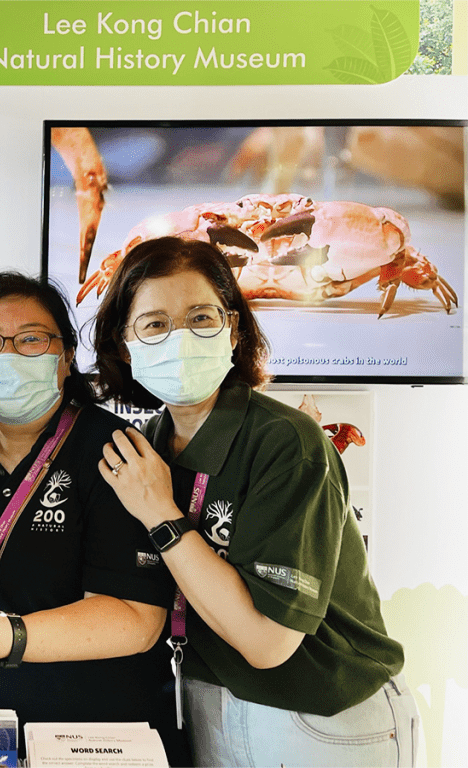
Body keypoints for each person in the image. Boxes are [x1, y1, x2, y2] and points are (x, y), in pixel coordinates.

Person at [90, 236, 418, 767]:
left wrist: (160, 514)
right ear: (125, 345)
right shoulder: (145, 448)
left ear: (233, 327)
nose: (180, 339)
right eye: (154, 324)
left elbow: (267, 643)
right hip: (206, 699)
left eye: (201, 317)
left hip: (319, 715)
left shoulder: (285, 442)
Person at [0, 271, 187, 764]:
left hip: (95, 737)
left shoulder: (117, 453)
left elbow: (136, 621)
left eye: (32, 340)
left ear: (65, 360)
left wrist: (3, 636)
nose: (9, 354)